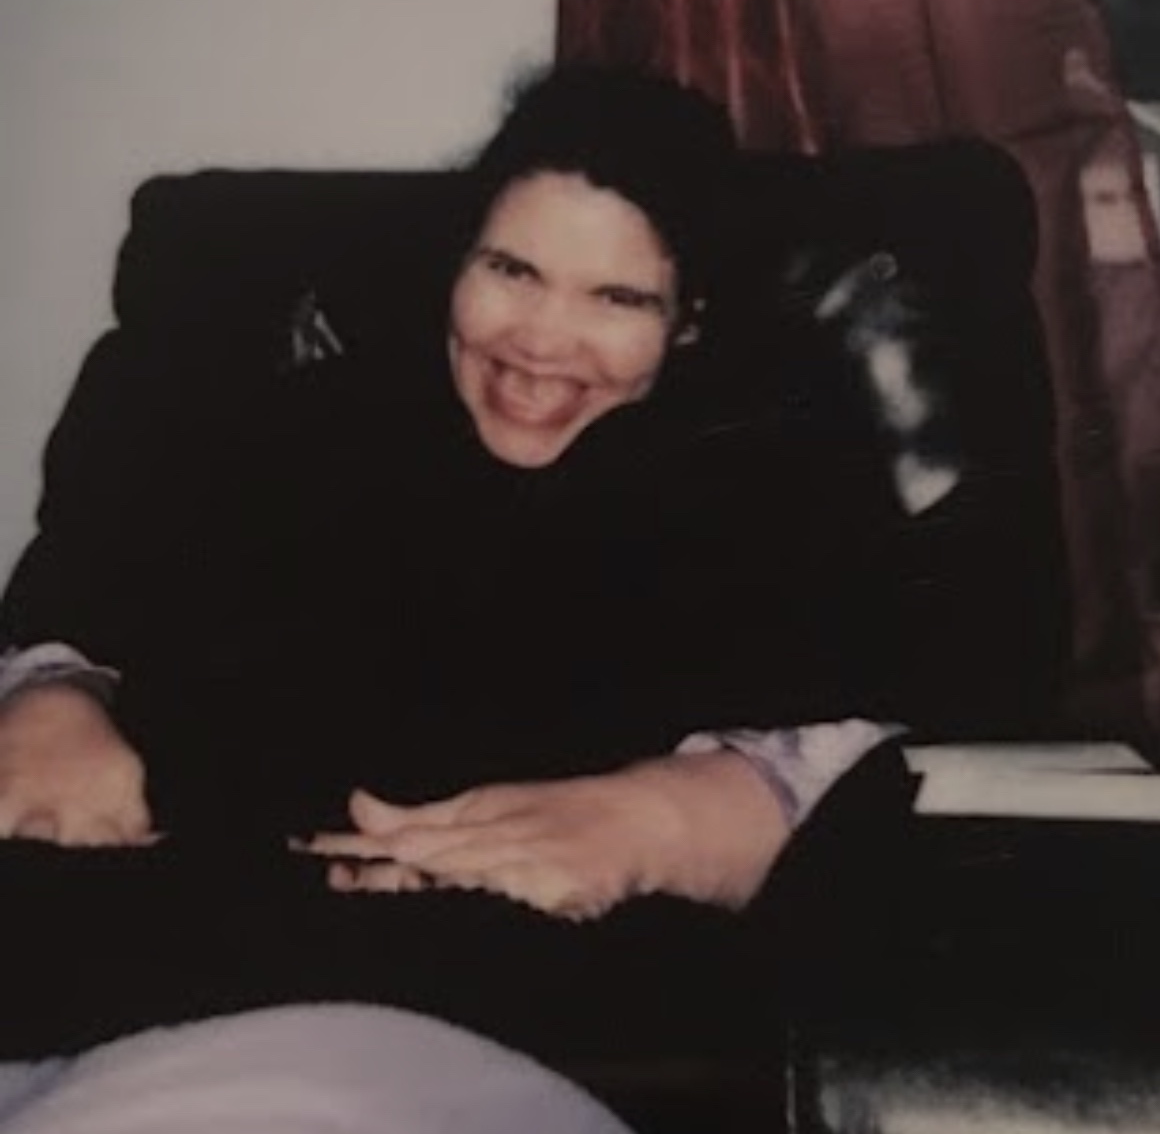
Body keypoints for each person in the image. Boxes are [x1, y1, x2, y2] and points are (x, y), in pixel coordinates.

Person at [0, 65, 897, 1087]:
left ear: (690, 318)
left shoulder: (771, 473)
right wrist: (54, 692)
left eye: (616, 296)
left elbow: (873, 718)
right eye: (510, 269)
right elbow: (90, 578)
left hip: (491, 1011)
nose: (539, 340)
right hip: (156, 941)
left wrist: (672, 816)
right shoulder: (302, 420)